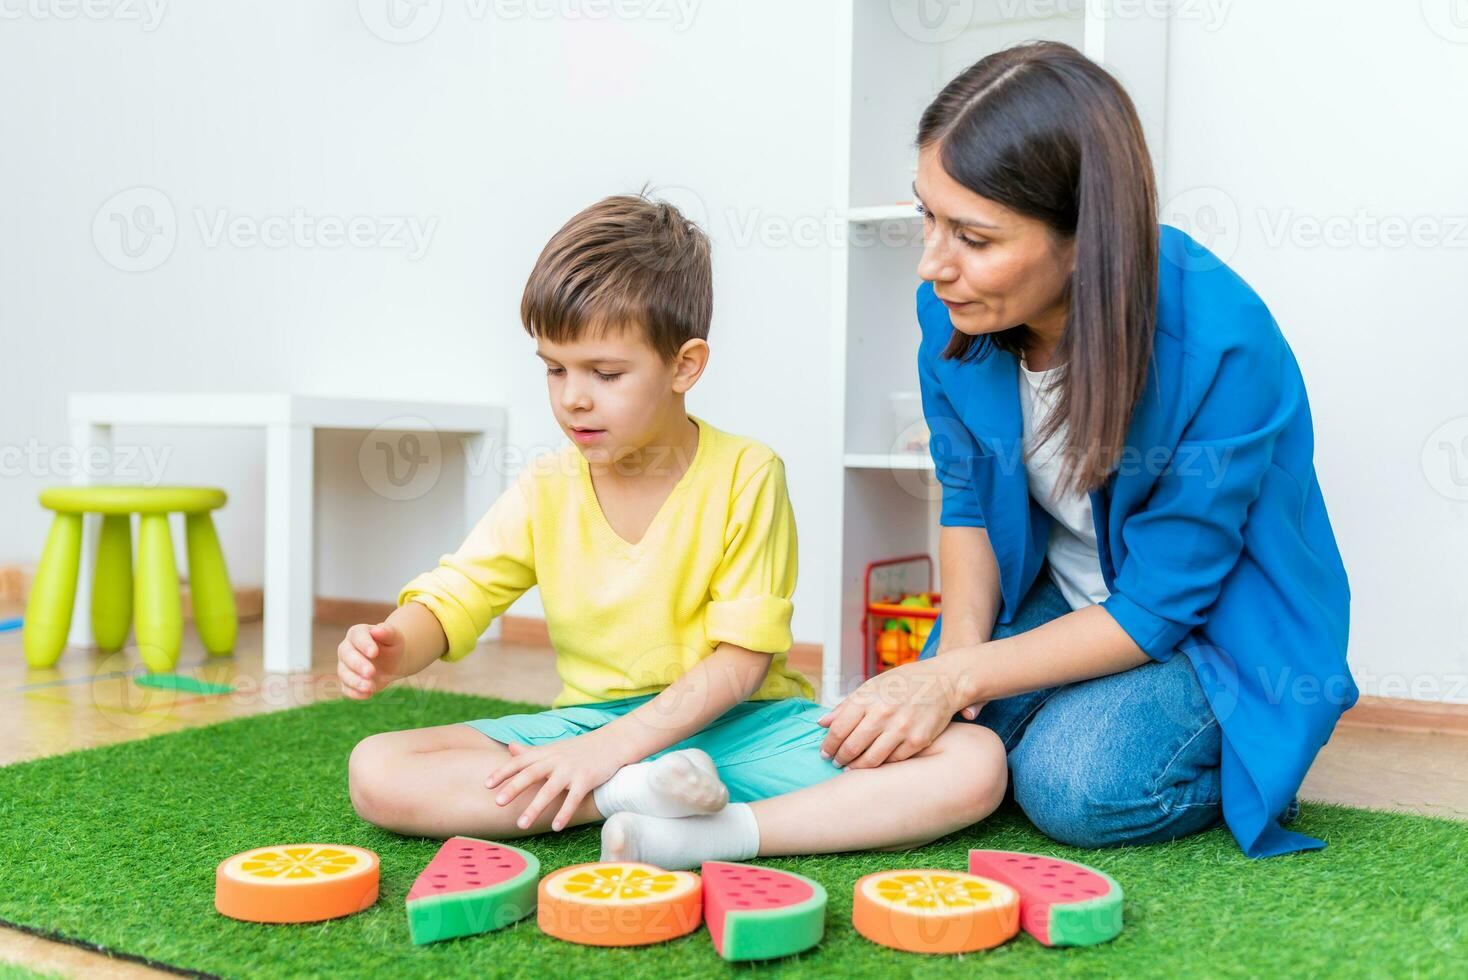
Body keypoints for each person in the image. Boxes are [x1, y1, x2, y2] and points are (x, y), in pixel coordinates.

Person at [342, 192, 1007, 870]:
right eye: (555, 368)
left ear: (685, 366)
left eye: (605, 373)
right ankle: (630, 794)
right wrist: (399, 642)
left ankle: (711, 833)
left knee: (973, 759)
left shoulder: (749, 473)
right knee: (378, 767)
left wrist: (606, 751)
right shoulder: (546, 485)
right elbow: (459, 595)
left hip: (739, 730)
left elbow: (740, 664)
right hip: (590, 729)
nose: (573, 397)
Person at [817, 41, 1356, 859]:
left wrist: (959, 681)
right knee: (887, 729)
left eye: (973, 235)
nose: (933, 264)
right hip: (1061, 593)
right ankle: (1043, 711)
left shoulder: (1221, 345)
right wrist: (956, 661)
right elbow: (966, 500)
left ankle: (1248, 747)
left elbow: (1159, 607)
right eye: (926, 214)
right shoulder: (957, 312)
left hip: (1211, 629)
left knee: (1072, 785)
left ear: (1084, 240)